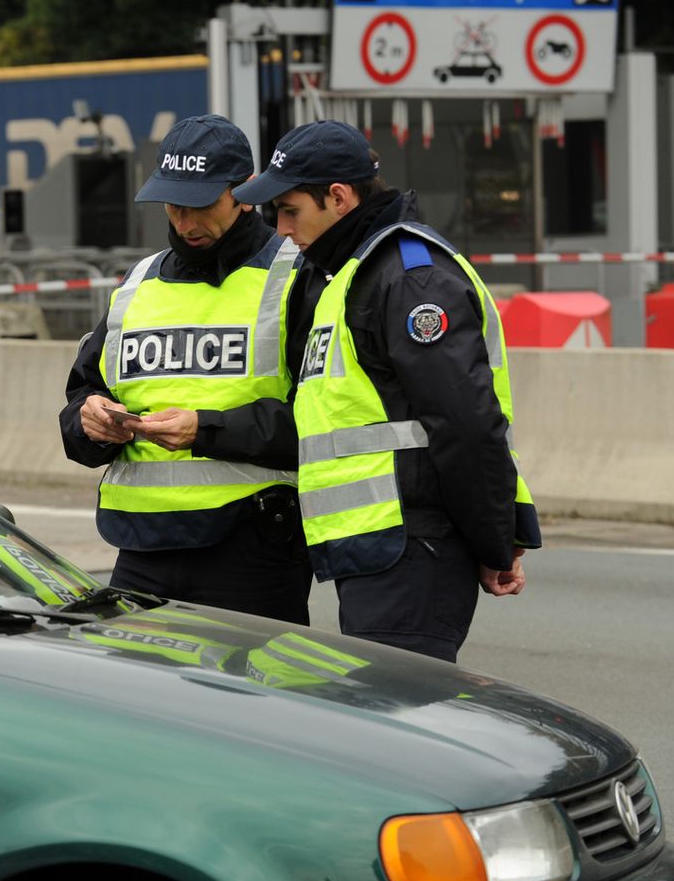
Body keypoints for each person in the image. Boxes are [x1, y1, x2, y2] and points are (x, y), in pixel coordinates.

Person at [232, 119, 541, 662]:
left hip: (412, 549)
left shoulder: (408, 277)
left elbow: (465, 423)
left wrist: (495, 539)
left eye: (289, 210)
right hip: (379, 550)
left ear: (339, 197)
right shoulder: (348, 273)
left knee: (402, 726)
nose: (280, 228)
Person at [60, 114, 312, 624]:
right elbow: (80, 402)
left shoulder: (297, 277)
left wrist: (207, 430)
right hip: (141, 549)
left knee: (255, 703)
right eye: (174, 205)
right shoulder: (138, 284)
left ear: (244, 191)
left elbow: (327, 422)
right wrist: (91, 422)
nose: (185, 223)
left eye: (201, 206)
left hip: (253, 550)